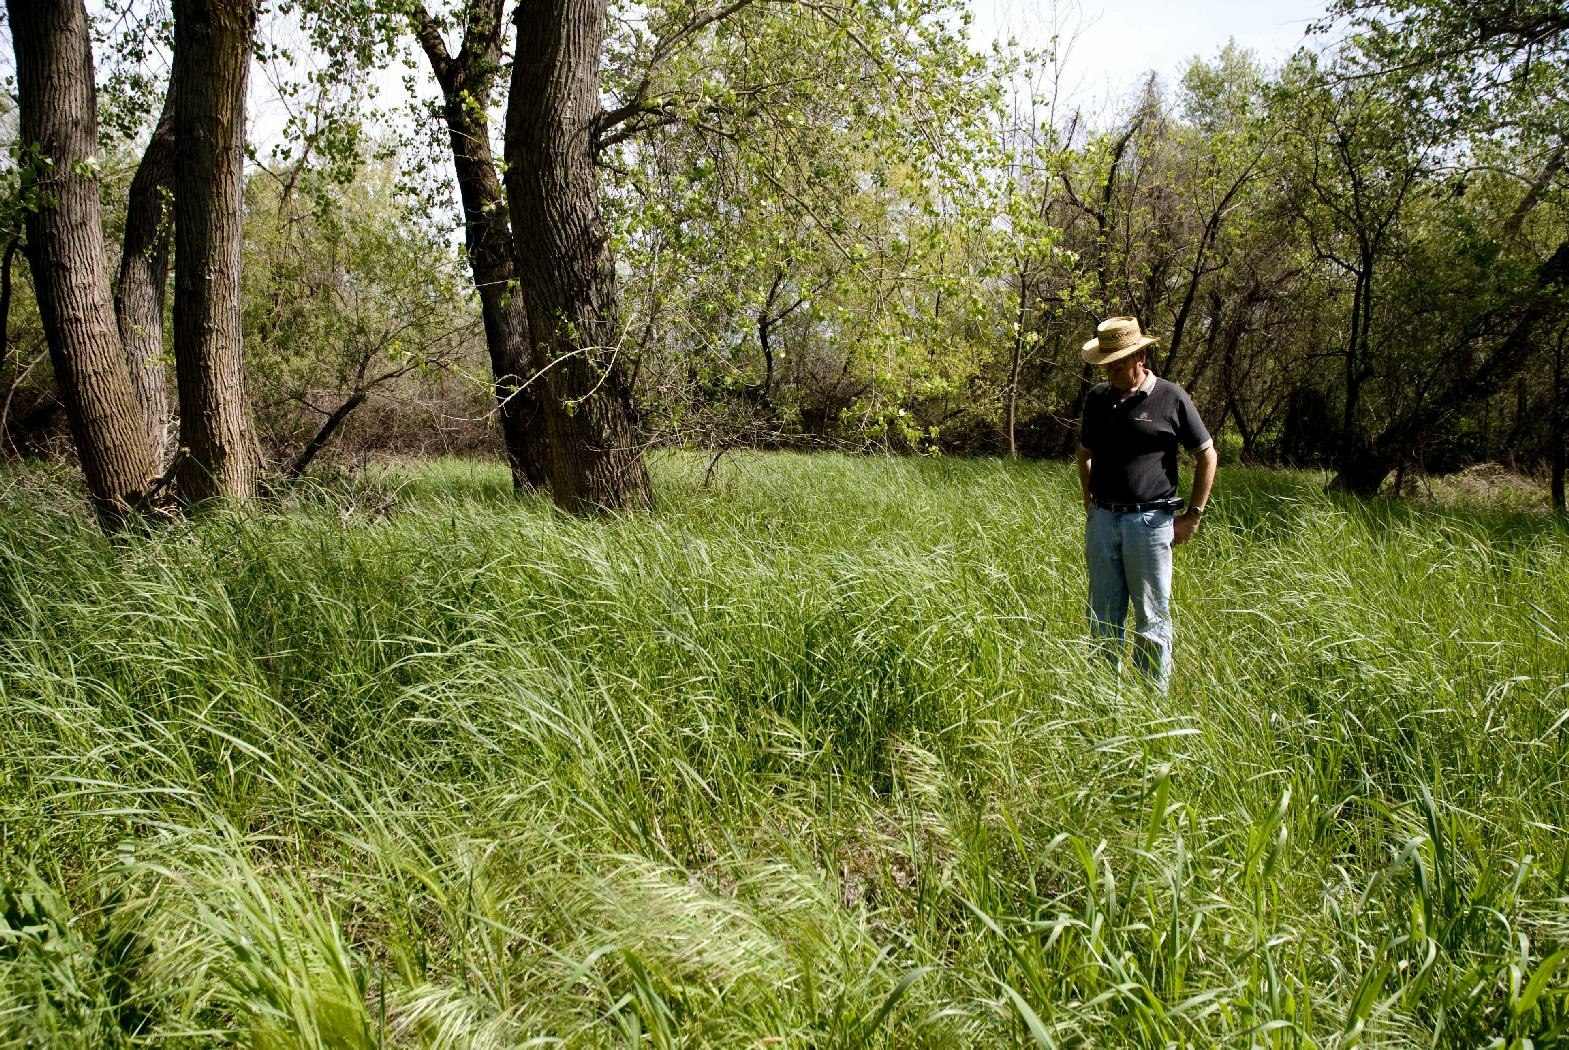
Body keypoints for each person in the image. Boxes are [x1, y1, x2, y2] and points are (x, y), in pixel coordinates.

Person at [1075, 316, 1217, 692]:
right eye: (1107, 365)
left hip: (1151, 524)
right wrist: (1091, 503)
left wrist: (1193, 517)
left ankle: (1150, 706)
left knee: (1152, 620)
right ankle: (1103, 701)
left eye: (1119, 364)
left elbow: (1207, 456)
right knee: (1103, 618)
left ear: (1140, 356)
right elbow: (1084, 452)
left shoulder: (1171, 397)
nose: (1112, 372)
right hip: (1104, 522)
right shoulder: (1098, 400)